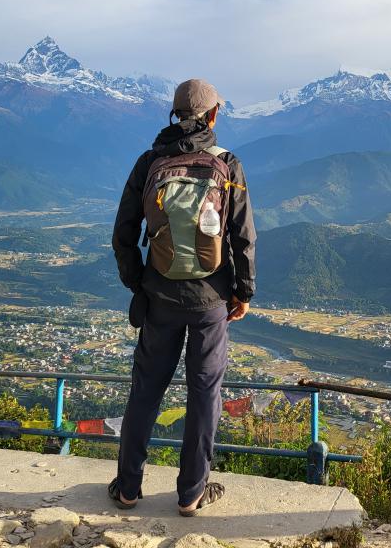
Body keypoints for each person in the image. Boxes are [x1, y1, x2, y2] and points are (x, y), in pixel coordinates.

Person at [109, 78, 256, 516]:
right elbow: (243, 235)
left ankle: (128, 488)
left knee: (146, 391)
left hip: (159, 296)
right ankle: (192, 493)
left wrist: (139, 282)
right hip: (211, 298)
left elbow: (123, 233)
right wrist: (243, 290)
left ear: (173, 114)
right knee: (204, 393)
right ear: (213, 115)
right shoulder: (227, 163)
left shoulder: (149, 161)